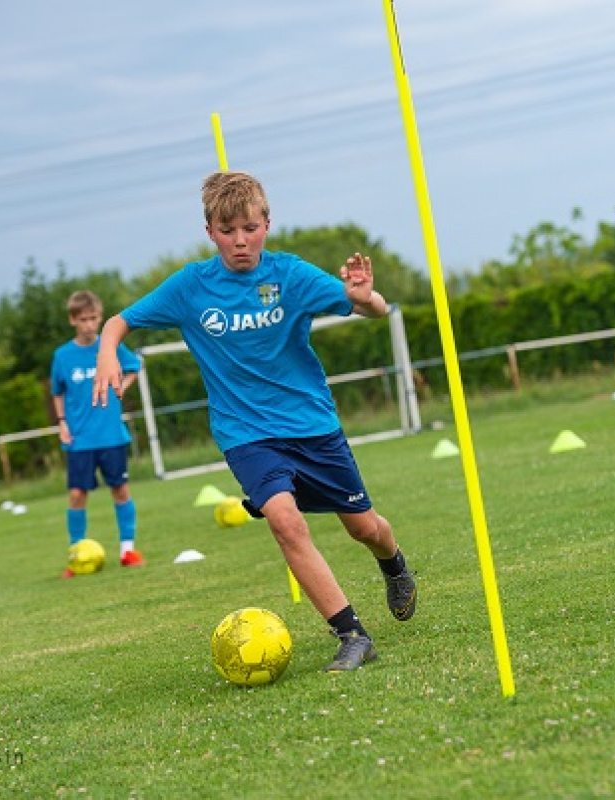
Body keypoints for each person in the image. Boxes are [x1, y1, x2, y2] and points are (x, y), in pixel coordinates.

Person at [92, 171, 416, 671]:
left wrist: (365, 294)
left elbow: (368, 308)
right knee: (285, 521)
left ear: (267, 223)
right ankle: (352, 634)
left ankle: (393, 563)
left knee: (364, 528)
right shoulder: (190, 287)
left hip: (312, 426)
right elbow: (119, 321)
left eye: (249, 227)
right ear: (209, 232)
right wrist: (107, 353)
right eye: (227, 230)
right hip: (245, 433)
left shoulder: (292, 276)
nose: (240, 240)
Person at [51, 289, 145, 576]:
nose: (90, 325)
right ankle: (76, 554)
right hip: (80, 438)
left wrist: (120, 387)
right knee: (77, 494)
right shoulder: (63, 356)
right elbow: (58, 391)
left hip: (111, 435)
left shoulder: (110, 345)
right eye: (83, 320)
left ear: (100, 318)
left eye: (94, 319)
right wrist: (62, 422)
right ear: (73, 320)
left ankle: (127, 550)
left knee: (120, 489)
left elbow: (134, 367)